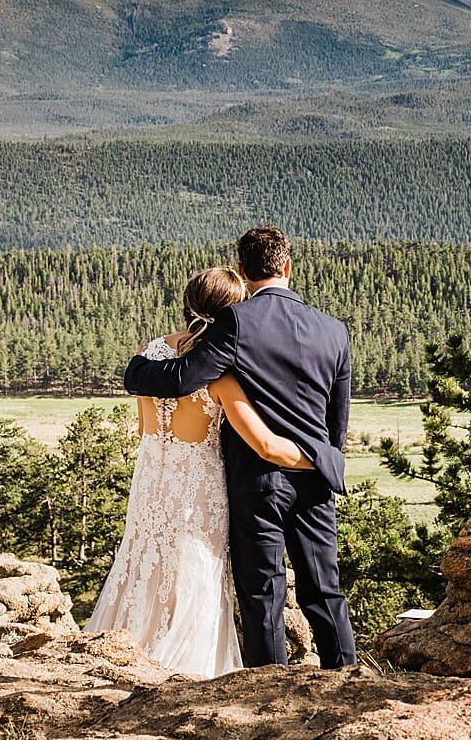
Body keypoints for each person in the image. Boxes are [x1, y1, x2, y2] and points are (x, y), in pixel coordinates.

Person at [122, 226, 357, 669]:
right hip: (316, 474)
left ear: (244, 271)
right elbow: (336, 419)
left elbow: (182, 379)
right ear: (288, 267)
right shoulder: (335, 331)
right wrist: (323, 461)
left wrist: (135, 370)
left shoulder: (237, 320)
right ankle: (349, 683)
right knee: (325, 589)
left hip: (257, 480)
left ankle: (268, 694)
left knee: (262, 593)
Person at [87, 266, 315, 677]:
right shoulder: (221, 376)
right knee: (195, 574)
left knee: (144, 565)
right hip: (197, 488)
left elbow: (144, 428)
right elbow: (263, 443)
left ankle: (129, 652)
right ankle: (186, 667)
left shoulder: (151, 352)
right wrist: (316, 460)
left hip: (152, 480)